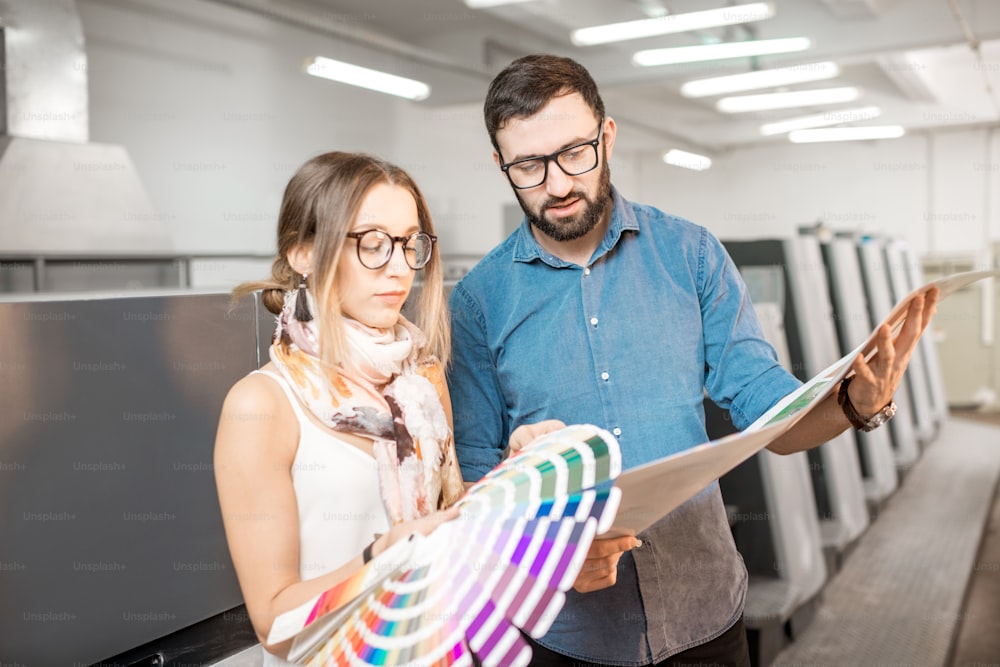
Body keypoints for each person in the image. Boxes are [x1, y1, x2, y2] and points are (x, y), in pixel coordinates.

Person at [446, 54, 938, 667]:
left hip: (703, 612)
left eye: (576, 152)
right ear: (501, 164)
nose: (558, 184)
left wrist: (854, 405)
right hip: (567, 635)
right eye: (528, 166)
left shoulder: (692, 255)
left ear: (608, 135)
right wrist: (545, 553)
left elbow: (770, 413)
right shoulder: (475, 304)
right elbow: (472, 479)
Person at [214, 151, 464, 663]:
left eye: (409, 243)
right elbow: (276, 624)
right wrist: (379, 559)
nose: (399, 268)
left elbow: (448, 531)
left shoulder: (421, 383)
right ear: (303, 252)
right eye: (372, 244)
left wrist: (525, 469)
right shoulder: (262, 404)